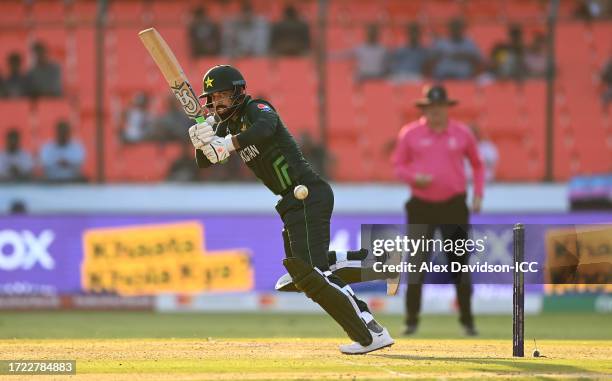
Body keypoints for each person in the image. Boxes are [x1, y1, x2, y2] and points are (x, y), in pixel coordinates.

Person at [188, 64, 394, 354]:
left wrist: (227, 144)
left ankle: (370, 333)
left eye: (222, 94)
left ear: (238, 93)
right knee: (304, 274)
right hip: (291, 200)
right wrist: (201, 141)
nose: (216, 102)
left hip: (307, 194)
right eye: (212, 97)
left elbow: (265, 128)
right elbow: (205, 162)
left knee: (312, 274)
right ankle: (379, 263)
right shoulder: (225, 127)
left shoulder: (257, 107)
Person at [391, 85, 484, 336]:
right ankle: (411, 319)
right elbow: (398, 165)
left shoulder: (462, 133)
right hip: (421, 205)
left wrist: (478, 194)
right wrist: (413, 177)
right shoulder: (410, 133)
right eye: (431, 108)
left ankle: (467, 319)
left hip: (454, 205)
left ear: (447, 108)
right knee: (417, 263)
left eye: (440, 108)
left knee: (459, 263)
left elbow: (477, 165)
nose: (436, 113)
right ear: (425, 109)